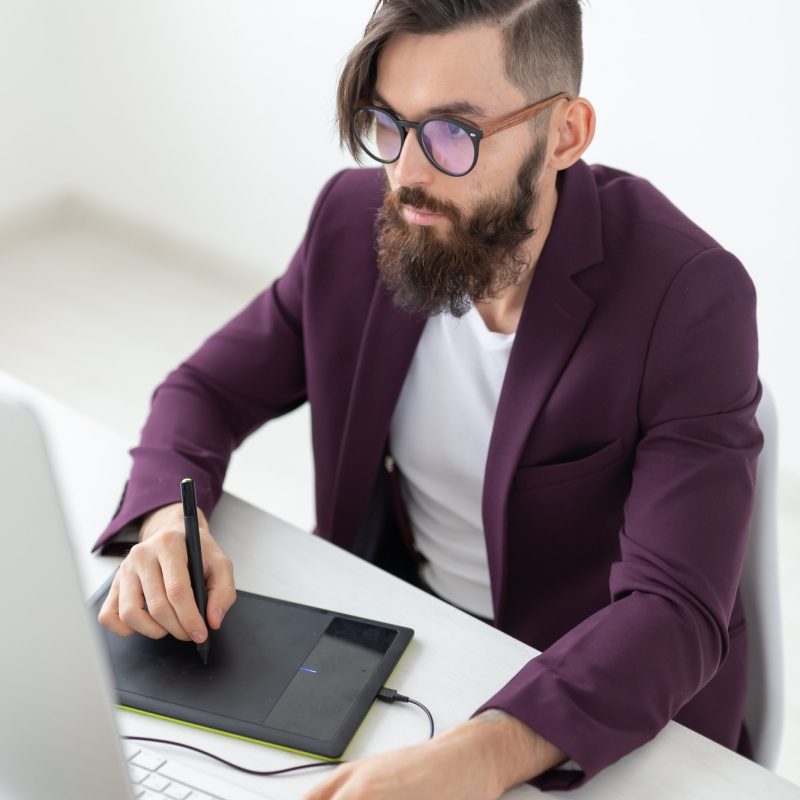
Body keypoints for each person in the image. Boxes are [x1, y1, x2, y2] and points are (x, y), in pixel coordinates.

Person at [95, 1, 762, 796]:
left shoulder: (688, 296)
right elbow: (206, 390)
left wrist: (471, 761)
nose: (407, 171)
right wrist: (172, 523)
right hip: (407, 646)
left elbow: (676, 609)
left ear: (567, 135)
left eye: (454, 133)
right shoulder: (356, 223)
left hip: (598, 705)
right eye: (389, 123)